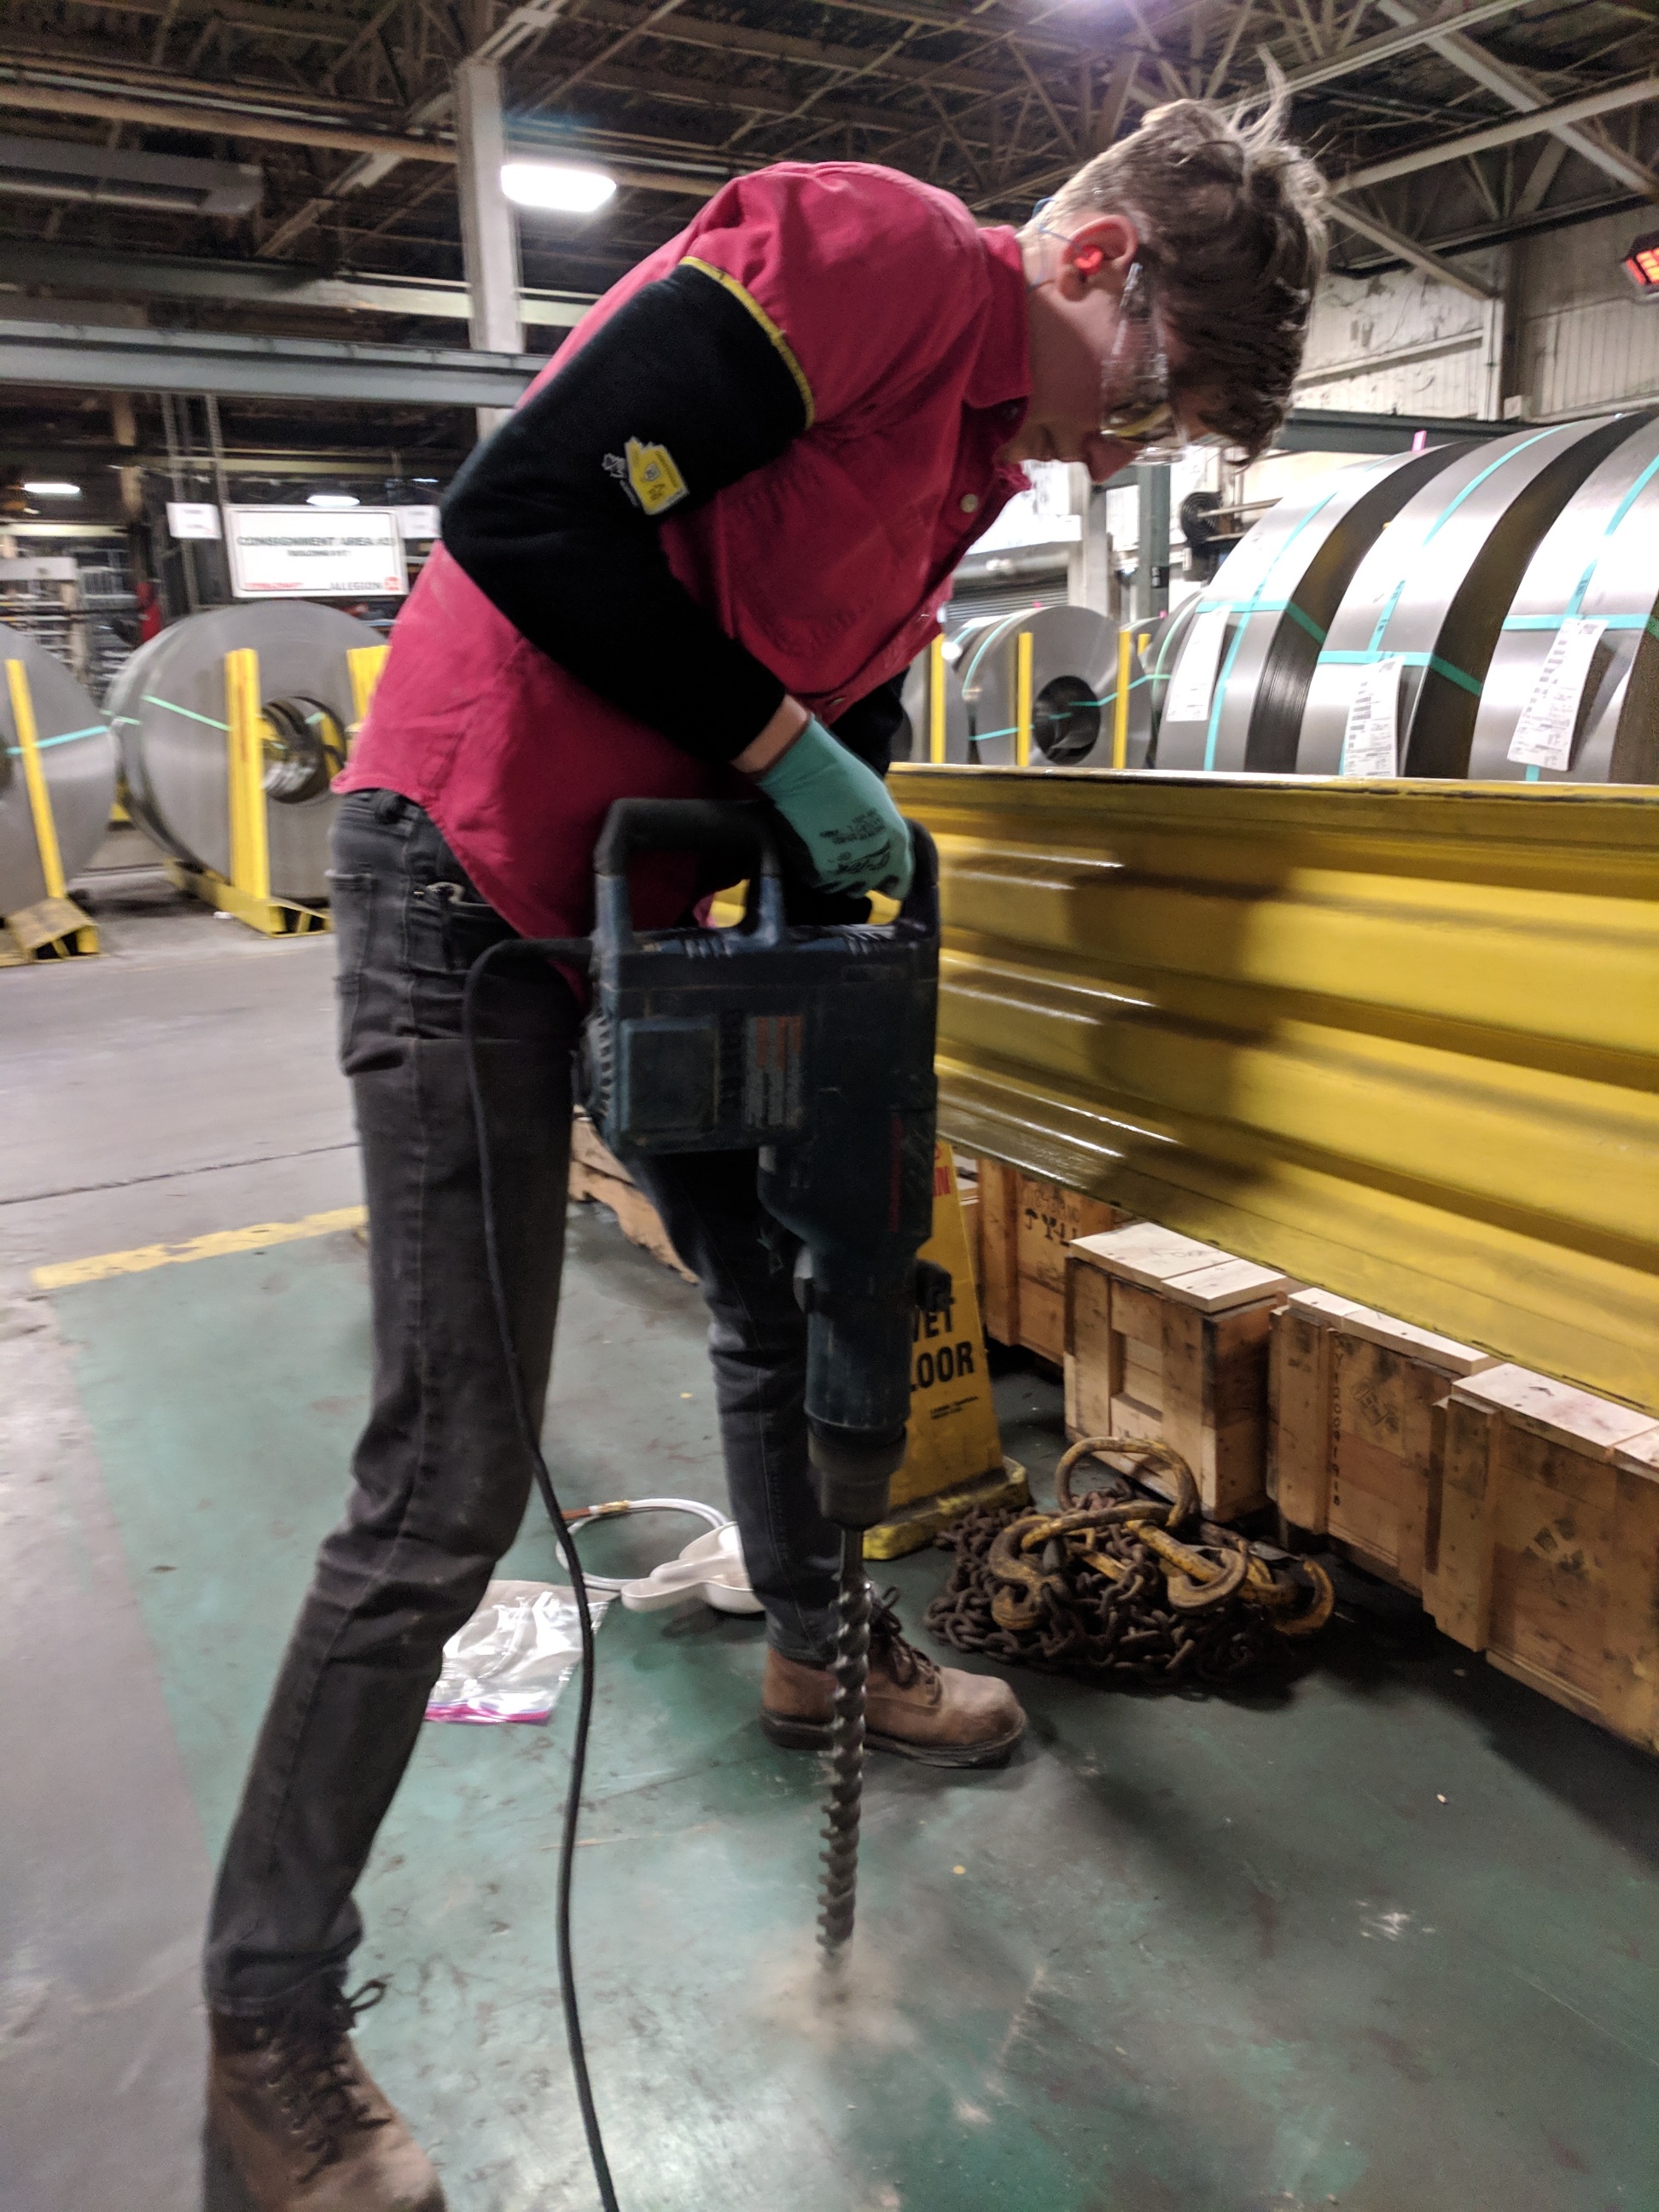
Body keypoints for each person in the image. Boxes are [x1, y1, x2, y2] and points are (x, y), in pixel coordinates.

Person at [203, 90, 1326, 2212]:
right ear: (1097, 263)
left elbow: (832, 688)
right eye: (1147, 400)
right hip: (471, 877)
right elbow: (525, 514)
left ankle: (822, 1639)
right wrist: (795, 755)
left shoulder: (973, 456)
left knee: (786, 1282)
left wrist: (843, 860)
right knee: (448, 1479)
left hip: (664, 897)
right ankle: (267, 2012)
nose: (1122, 455)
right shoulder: (869, 256)